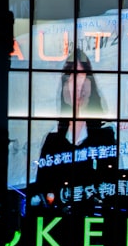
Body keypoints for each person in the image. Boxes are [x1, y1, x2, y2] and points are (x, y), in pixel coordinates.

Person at [32, 48, 117, 212]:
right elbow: (41, 186)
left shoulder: (106, 135)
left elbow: (111, 180)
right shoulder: (52, 140)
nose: (78, 86)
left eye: (82, 76)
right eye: (71, 78)